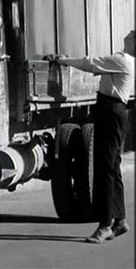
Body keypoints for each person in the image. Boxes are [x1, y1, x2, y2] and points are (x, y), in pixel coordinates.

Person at [52, 31, 134, 244]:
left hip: (111, 111)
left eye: (134, 34)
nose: (130, 33)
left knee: (104, 169)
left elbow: (89, 64)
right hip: (116, 112)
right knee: (113, 168)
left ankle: (105, 225)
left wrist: (62, 60)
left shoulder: (122, 60)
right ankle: (120, 220)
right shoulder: (124, 62)